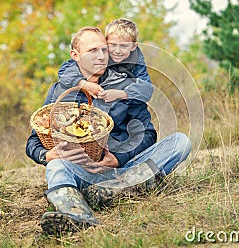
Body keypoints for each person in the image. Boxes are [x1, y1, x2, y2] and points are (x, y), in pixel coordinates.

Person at [25, 27, 192, 235]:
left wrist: (119, 158)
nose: (101, 56)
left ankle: (114, 190)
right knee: (56, 165)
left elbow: (148, 133)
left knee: (180, 142)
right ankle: (77, 213)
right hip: (83, 174)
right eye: (93, 51)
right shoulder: (60, 90)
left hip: (124, 171)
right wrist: (47, 154)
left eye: (104, 50)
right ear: (75, 56)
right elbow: (33, 142)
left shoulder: (125, 86)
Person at [57, 18, 152, 103]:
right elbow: (65, 70)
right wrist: (84, 84)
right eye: (112, 45)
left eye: (124, 46)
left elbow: (147, 89)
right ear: (106, 41)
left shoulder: (136, 61)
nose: (117, 51)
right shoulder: (102, 54)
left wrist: (121, 94)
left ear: (133, 46)